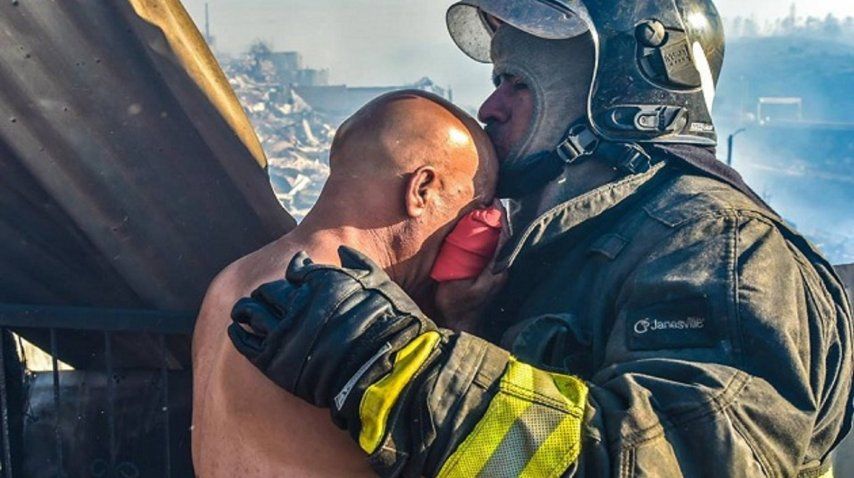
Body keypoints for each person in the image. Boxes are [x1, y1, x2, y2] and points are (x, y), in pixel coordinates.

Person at [228, 1, 854, 476]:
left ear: (617, 96)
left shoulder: (719, 248)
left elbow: (678, 458)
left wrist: (402, 368)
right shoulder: (562, 240)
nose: (489, 108)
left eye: (518, 84)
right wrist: (460, 323)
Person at [191, 90, 498, 477]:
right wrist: (467, 320)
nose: (475, 227)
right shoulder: (345, 316)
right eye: (474, 207)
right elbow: (463, 458)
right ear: (422, 190)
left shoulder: (232, 280)